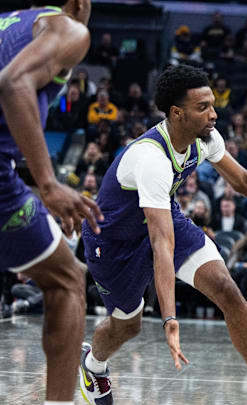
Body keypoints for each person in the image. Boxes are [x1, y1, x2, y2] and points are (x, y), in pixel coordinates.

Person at [79, 64, 247, 405]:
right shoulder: (150, 159)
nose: (214, 113)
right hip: (113, 241)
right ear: (177, 113)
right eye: (203, 107)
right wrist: (170, 319)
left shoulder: (205, 137)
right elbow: (161, 245)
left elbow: (244, 182)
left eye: (212, 104)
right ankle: (93, 364)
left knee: (227, 289)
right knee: (127, 327)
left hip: (165, 219)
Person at [0, 2, 101, 405]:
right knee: (67, 280)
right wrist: (48, 182)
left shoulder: (7, 22)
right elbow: (13, 82)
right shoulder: (70, 28)